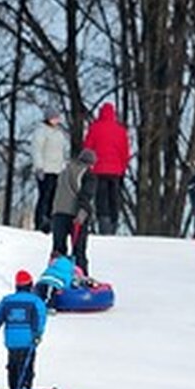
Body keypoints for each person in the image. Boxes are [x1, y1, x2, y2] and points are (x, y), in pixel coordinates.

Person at [0, 271, 48, 389]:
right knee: (26, 365)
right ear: (30, 286)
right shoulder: (35, 301)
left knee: (13, 364)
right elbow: (40, 317)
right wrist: (38, 333)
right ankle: (25, 387)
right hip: (28, 339)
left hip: (11, 339)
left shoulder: (7, 300)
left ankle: (13, 387)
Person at [82, 102, 130, 234]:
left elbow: (87, 148)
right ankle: (113, 224)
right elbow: (124, 151)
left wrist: (87, 166)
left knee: (101, 199)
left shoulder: (94, 128)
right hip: (116, 171)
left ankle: (104, 225)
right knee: (114, 198)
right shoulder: (120, 131)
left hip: (98, 170)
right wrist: (123, 167)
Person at [50, 149, 98, 271]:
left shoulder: (64, 170)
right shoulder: (87, 174)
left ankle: (55, 276)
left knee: (58, 249)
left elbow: (54, 192)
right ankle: (80, 278)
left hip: (58, 212)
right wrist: (83, 212)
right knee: (78, 250)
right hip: (75, 215)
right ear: (90, 163)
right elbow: (85, 195)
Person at [30, 109, 68, 234]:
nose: (56, 120)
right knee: (44, 196)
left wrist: (63, 167)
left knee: (53, 198)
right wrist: (39, 167)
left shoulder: (60, 133)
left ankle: (50, 222)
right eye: (53, 118)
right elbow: (37, 150)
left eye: (57, 118)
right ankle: (40, 221)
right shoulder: (41, 131)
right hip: (45, 169)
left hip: (57, 170)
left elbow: (63, 151)